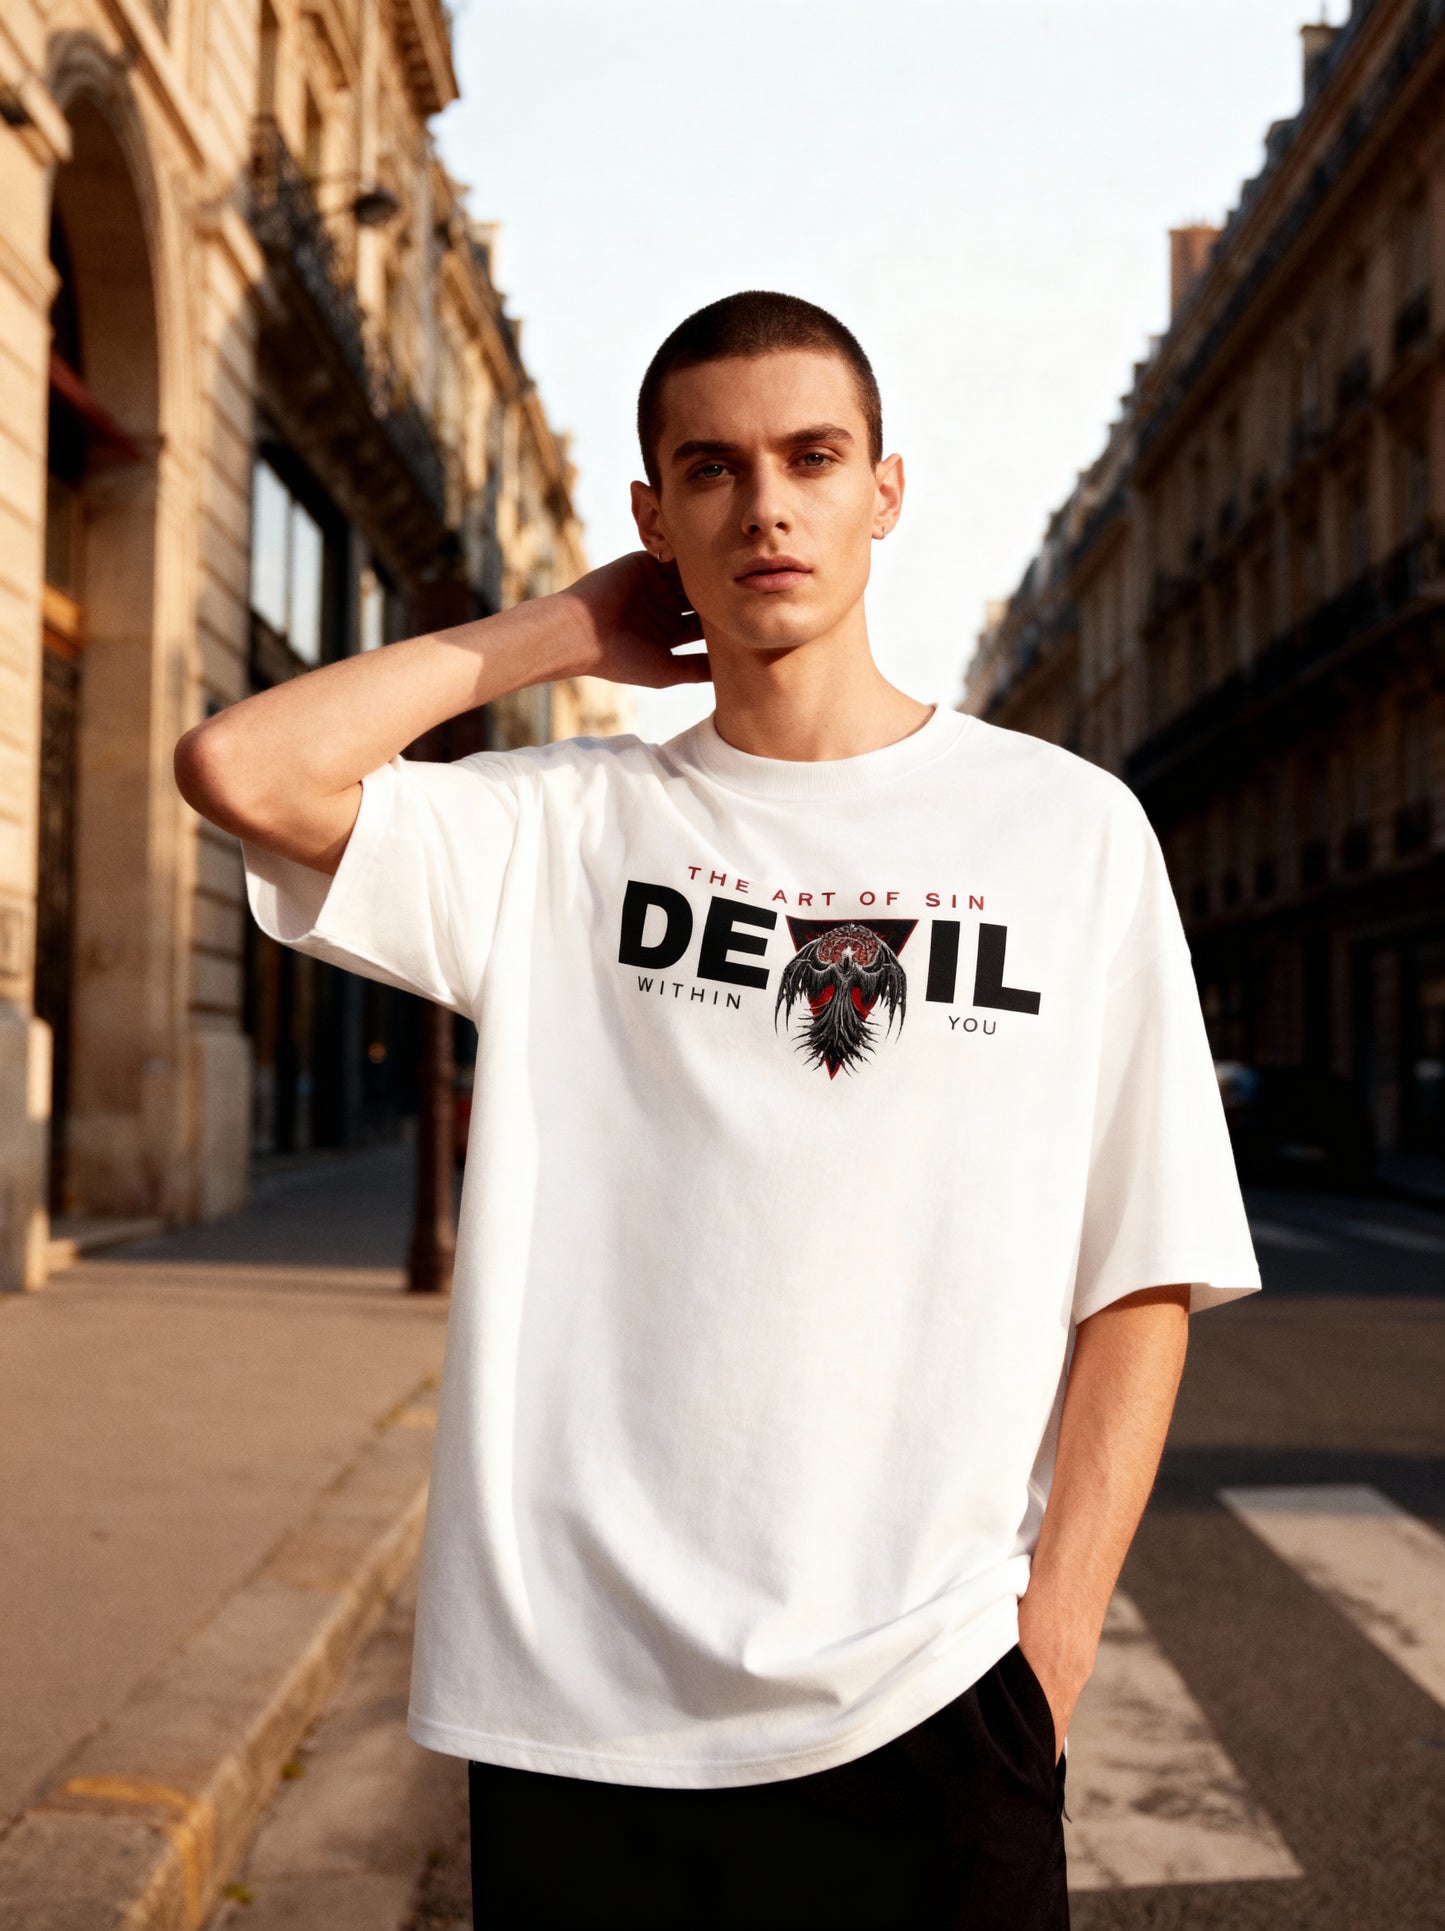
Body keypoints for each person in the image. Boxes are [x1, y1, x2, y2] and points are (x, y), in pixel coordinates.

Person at [174, 290, 1262, 1929]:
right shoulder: (565, 829)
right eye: (712, 470)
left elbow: (1145, 1266)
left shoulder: (1068, 831)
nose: (765, 507)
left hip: (932, 1701)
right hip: (580, 1713)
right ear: (654, 517)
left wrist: (1053, 1646)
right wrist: (561, 631)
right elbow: (243, 770)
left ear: (883, 490)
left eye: (811, 458)